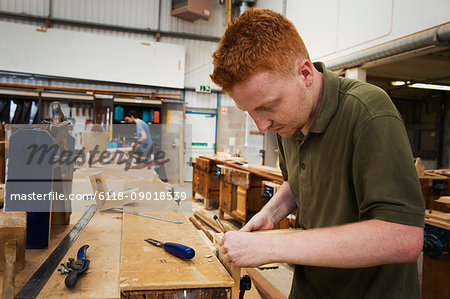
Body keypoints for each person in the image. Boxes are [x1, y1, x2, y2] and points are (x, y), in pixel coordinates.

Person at [210, 8, 425, 298]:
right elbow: (299, 182)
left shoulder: (369, 113)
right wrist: (271, 213)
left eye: (267, 106)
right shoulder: (290, 122)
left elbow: (404, 237)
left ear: (305, 74)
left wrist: (271, 246)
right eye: (249, 111)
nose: (261, 125)